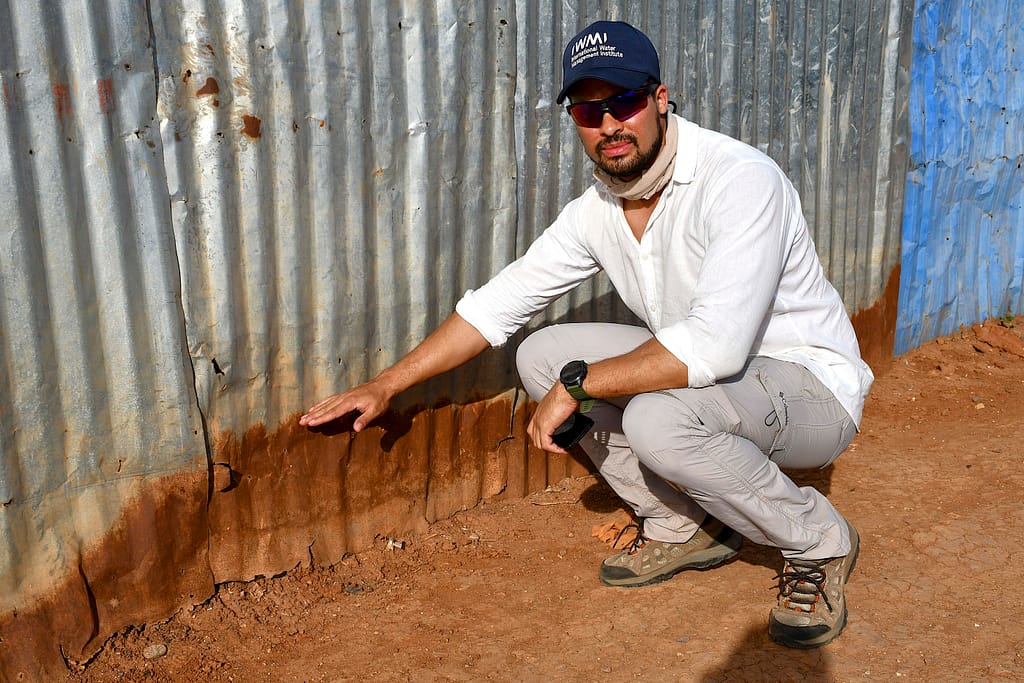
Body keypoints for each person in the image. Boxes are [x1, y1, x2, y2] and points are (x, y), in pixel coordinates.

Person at [300, 20, 873, 649]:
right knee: (543, 354)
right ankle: (683, 526)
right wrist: (386, 385)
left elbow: (717, 344)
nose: (609, 125)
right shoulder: (596, 210)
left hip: (808, 388)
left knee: (655, 419)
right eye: (588, 110)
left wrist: (583, 385)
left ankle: (819, 539)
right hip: (719, 385)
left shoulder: (738, 179)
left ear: (659, 98)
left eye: (624, 101)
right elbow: (498, 305)